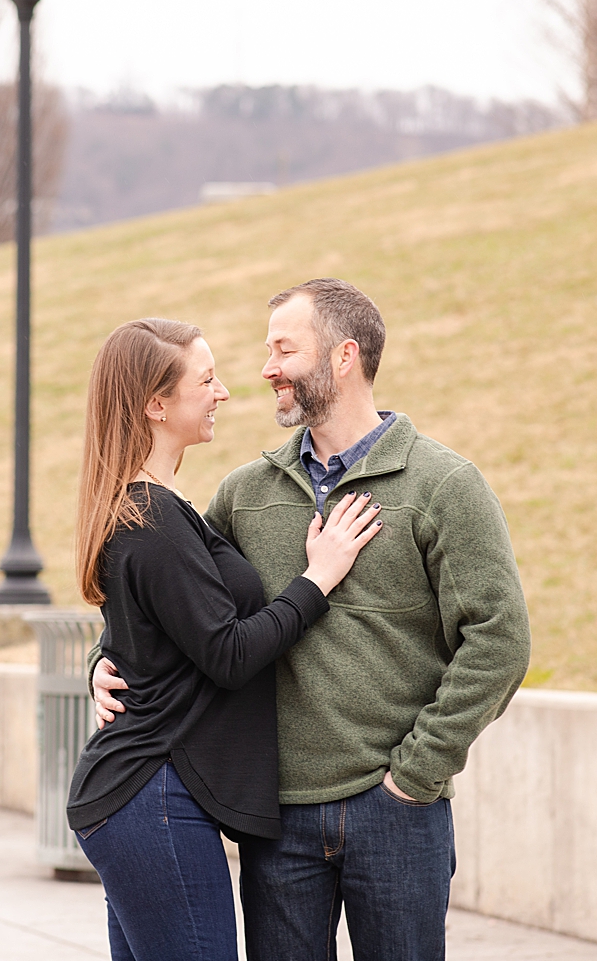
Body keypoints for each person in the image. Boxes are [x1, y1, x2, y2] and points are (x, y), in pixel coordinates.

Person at [92, 280, 532, 961]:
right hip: (278, 819)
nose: (265, 368)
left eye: (283, 349)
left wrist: (415, 775)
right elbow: (162, 596)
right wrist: (104, 661)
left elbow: (499, 642)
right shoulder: (246, 493)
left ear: (343, 356)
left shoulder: (442, 485)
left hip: (397, 811)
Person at [67, 317, 383, 961]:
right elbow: (229, 653)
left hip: (142, 800)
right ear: (156, 404)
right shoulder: (152, 519)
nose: (224, 393)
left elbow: (152, 628)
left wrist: (103, 660)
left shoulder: (160, 507)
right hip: (148, 798)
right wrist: (317, 579)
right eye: (206, 381)